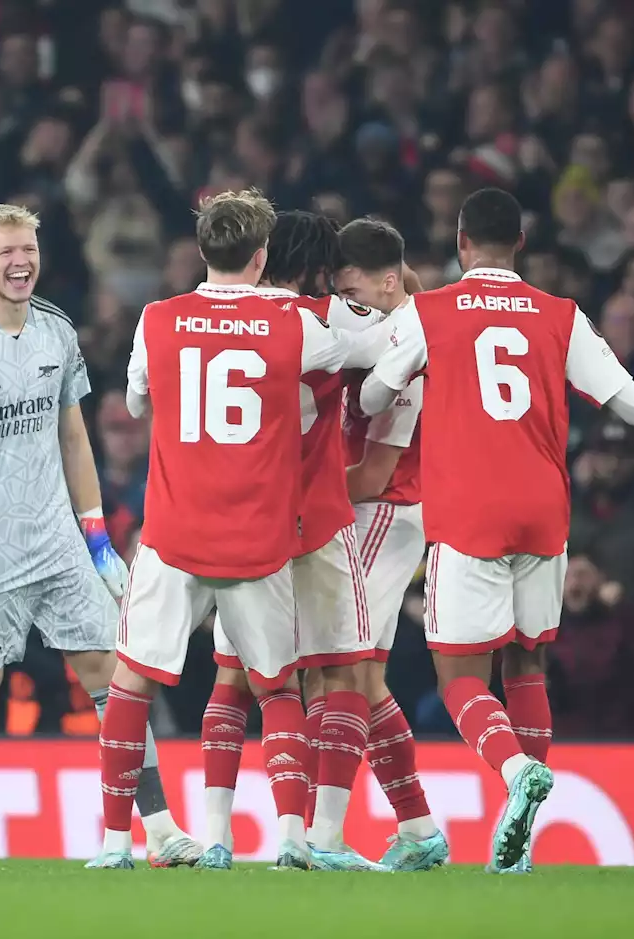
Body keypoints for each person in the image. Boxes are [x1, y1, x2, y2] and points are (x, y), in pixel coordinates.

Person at [359, 187, 634, 873]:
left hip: (468, 512)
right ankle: (522, 846)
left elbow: (370, 397)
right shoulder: (559, 315)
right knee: (527, 659)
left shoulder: (431, 310)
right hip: (544, 511)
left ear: (460, 243)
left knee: (458, 674)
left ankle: (515, 774)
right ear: (520, 245)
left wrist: (393, 385)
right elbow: (630, 403)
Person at [0, 204, 197, 867]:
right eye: (4, 251)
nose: (19, 261)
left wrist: (95, 537)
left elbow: (73, 435)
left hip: (58, 543)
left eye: (27, 248)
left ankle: (161, 827)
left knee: (115, 681)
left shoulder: (58, 329)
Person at [96, 190, 364, 872]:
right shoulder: (300, 325)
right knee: (277, 689)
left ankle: (113, 843)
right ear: (262, 254)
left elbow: (135, 400)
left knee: (130, 683)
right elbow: (363, 350)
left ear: (203, 250)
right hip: (256, 537)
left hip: (174, 533)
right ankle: (292, 838)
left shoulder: (158, 318)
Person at [198, 211, 394, 873]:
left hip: (246, 520)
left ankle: (215, 834)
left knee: (234, 677)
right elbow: (402, 342)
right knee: (341, 670)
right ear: (320, 268)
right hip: (318, 514)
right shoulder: (327, 320)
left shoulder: (226, 318)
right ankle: (326, 836)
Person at [333, 217, 448, 870]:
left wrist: (292, 493)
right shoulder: (387, 320)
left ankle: (332, 830)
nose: (346, 306)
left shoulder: (409, 348)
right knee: (361, 674)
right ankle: (418, 827)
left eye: (353, 292)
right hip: (370, 511)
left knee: (349, 670)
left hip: (385, 508)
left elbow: (374, 472)